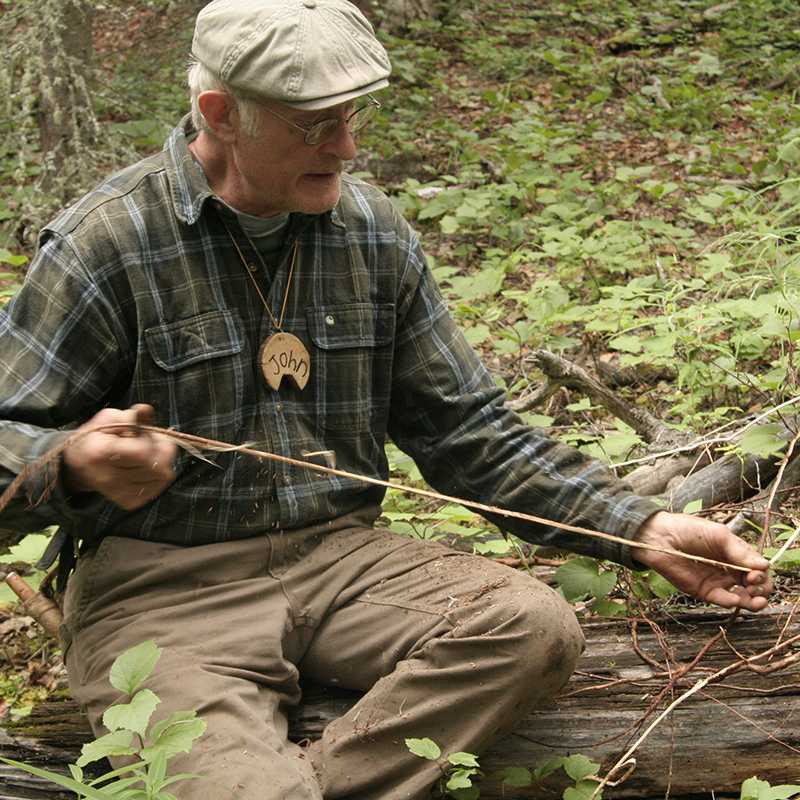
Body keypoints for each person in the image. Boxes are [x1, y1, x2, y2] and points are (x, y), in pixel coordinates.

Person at [0, 1, 772, 797]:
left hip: (342, 564)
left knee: (530, 625)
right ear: (220, 114)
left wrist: (641, 526)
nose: (345, 145)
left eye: (351, 116)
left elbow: (469, 432)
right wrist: (72, 463)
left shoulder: (371, 233)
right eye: (313, 124)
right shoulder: (110, 242)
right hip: (162, 588)